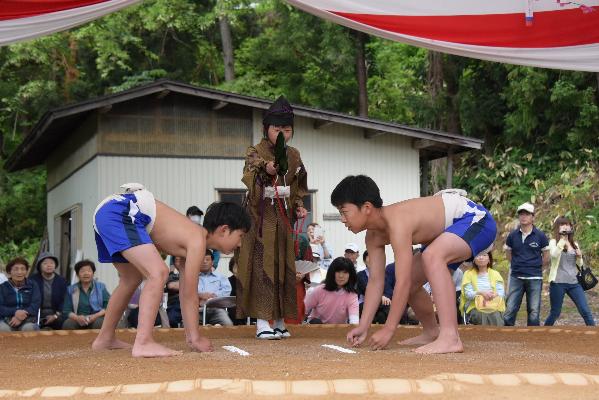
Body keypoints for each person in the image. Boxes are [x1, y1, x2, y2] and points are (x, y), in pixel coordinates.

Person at [332, 176, 496, 354]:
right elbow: (376, 282)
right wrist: (363, 326)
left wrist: (389, 329)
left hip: (476, 219)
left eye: (344, 212)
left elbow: (403, 281)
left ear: (366, 208)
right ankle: (432, 331)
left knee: (431, 257)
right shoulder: (372, 236)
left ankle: (450, 337)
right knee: (414, 278)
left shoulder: (398, 222)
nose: (342, 219)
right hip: (445, 232)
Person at [91, 183, 250, 357]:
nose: (240, 244)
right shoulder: (197, 239)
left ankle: (105, 338)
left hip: (110, 212)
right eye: (240, 236)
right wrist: (195, 338)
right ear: (224, 230)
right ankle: (143, 342)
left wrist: (191, 337)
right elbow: (190, 295)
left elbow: (184, 291)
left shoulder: (191, 240)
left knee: (131, 279)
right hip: (121, 211)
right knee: (159, 272)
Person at [236, 95, 308, 340]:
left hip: (283, 218)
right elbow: (251, 172)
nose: (282, 134)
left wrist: (298, 204)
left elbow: (298, 185)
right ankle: (260, 321)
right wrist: (265, 168)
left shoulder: (295, 155)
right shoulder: (254, 151)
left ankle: (279, 320)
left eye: (287, 130)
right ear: (266, 128)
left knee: (283, 266)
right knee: (261, 267)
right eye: (277, 129)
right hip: (260, 218)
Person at [503, 203, 549, 326]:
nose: (523, 217)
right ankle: (506, 339)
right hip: (516, 277)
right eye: (521, 214)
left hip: (534, 277)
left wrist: (536, 267)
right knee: (510, 310)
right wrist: (516, 264)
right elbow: (508, 253)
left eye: (527, 214)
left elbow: (546, 256)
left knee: (534, 312)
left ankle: (533, 340)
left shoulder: (540, 235)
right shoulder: (512, 235)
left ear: (533, 217)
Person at [544, 217, 595, 326]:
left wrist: (580, 256)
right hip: (558, 282)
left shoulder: (575, 243)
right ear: (557, 228)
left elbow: (580, 266)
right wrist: (563, 240)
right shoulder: (553, 242)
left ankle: (595, 335)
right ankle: (543, 332)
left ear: (571, 227)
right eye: (562, 225)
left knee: (585, 311)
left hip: (574, 282)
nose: (565, 226)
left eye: (567, 224)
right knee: (555, 313)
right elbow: (553, 255)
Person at [304, 257, 359, 324]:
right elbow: (303, 310)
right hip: (315, 328)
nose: (341, 276)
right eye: (338, 271)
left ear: (350, 275)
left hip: (337, 331)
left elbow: (354, 320)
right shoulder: (319, 290)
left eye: (345, 272)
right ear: (332, 273)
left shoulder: (352, 295)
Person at [62, 260, 111, 330]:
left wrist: (95, 316)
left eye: (89, 271)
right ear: (77, 274)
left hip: (97, 318)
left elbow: (108, 306)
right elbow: (66, 311)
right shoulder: (71, 289)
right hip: (78, 318)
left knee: (99, 323)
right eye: (82, 271)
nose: (86, 273)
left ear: (93, 273)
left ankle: (98, 341)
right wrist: (77, 318)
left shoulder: (101, 287)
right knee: (68, 324)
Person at [460, 252, 505, 326]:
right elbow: (468, 294)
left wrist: (493, 295)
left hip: (494, 305)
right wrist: (481, 293)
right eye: (478, 255)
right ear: (474, 260)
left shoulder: (496, 274)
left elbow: (501, 292)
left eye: (484, 255)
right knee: (481, 315)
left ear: (489, 259)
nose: (481, 257)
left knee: (495, 315)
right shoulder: (468, 274)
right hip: (474, 306)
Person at [0, 258, 40, 332]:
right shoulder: (2, 287)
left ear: (26, 272)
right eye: (16, 269)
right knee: (2, 329)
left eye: (23, 269)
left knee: (29, 329)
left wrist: (20, 316)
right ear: (9, 272)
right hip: (7, 320)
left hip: (28, 320)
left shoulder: (33, 285)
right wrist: (15, 312)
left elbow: (35, 305)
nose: (19, 272)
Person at [30, 252, 68, 330]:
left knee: (62, 323)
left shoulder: (62, 281)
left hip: (56, 313)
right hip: (37, 313)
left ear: (55, 266)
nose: (49, 265)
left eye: (52, 263)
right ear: (39, 266)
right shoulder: (32, 280)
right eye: (45, 263)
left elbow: (65, 301)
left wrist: (55, 316)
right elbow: (30, 299)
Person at [198, 249, 233, 326]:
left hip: (217, 309)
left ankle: (213, 326)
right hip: (197, 310)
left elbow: (227, 291)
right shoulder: (192, 278)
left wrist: (213, 297)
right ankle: (212, 327)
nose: (204, 262)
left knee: (228, 325)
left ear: (212, 262)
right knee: (186, 326)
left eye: (207, 259)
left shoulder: (221, 277)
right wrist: (200, 295)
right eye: (202, 260)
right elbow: (188, 292)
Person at [356, 251, 390, 324]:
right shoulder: (360, 275)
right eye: (369, 258)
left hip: (381, 304)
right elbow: (366, 289)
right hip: (365, 303)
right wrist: (380, 297)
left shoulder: (383, 275)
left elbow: (388, 290)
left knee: (384, 311)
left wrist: (385, 296)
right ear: (365, 261)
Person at [166, 256, 183, 328]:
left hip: (192, 302)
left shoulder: (195, 274)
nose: (179, 262)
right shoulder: (171, 275)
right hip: (175, 303)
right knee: (171, 319)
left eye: (181, 260)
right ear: (174, 263)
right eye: (177, 260)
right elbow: (171, 286)